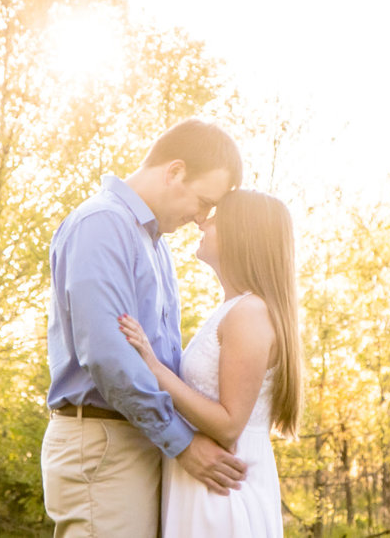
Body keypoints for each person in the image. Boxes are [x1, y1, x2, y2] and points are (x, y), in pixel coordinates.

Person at [41, 119, 248, 538]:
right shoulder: (102, 224)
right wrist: (184, 444)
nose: (201, 218)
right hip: (104, 442)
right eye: (203, 201)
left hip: (139, 438)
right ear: (175, 171)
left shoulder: (154, 243)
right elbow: (108, 355)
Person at [119, 189, 304, 537]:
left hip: (223, 491)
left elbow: (229, 424)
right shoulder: (234, 309)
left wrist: (154, 368)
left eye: (217, 216)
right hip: (209, 482)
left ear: (242, 234)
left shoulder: (249, 313)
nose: (203, 220)